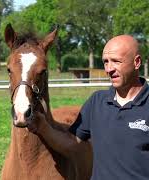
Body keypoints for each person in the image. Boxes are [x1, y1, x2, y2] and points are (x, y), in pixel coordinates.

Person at [28, 34, 149, 180]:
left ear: (136, 62)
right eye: (105, 62)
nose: (109, 69)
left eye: (116, 61)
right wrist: (43, 127)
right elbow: (71, 144)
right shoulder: (97, 101)